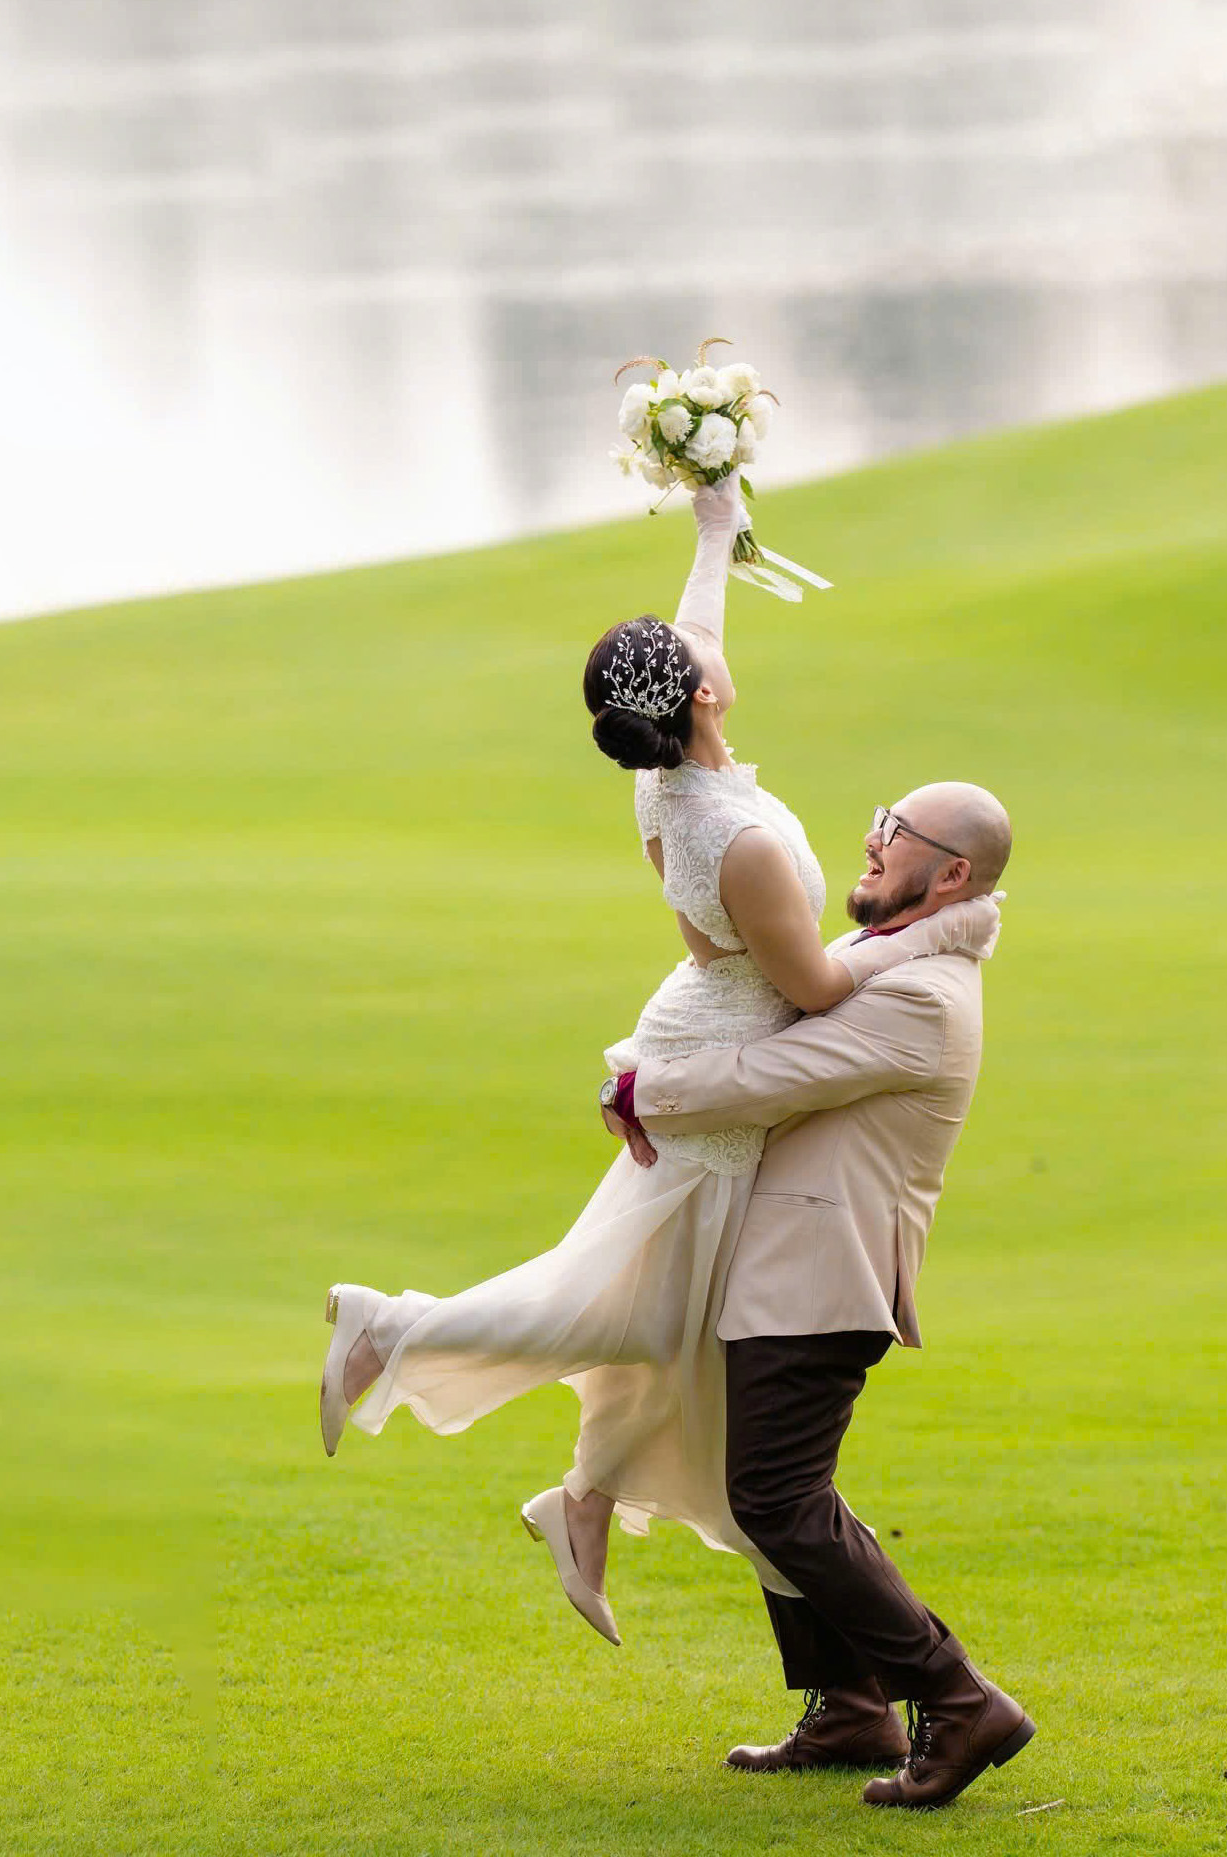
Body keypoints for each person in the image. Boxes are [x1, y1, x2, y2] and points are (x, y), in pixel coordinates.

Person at [316, 472, 998, 1646]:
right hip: (718, 1055)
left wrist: (715, 526)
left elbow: (698, 628)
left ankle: (582, 1501)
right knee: (622, 1303)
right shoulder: (738, 842)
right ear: (700, 698)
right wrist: (928, 945)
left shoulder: (665, 780)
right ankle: (397, 1332)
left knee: (668, 1323)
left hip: (698, 1015)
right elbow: (816, 988)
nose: (715, 652)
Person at [601, 777, 1033, 1811]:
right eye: (881, 820)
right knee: (774, 1497)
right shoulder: (883, 963)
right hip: (785, 1269)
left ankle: (959, 1699)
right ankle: (849, 1707)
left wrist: (638, 1084)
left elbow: (769, 1074)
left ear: (953, 874)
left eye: (897, 833)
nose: (873, 840)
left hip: (820, 1277)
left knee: (777, 1500)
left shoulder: (922, 997)